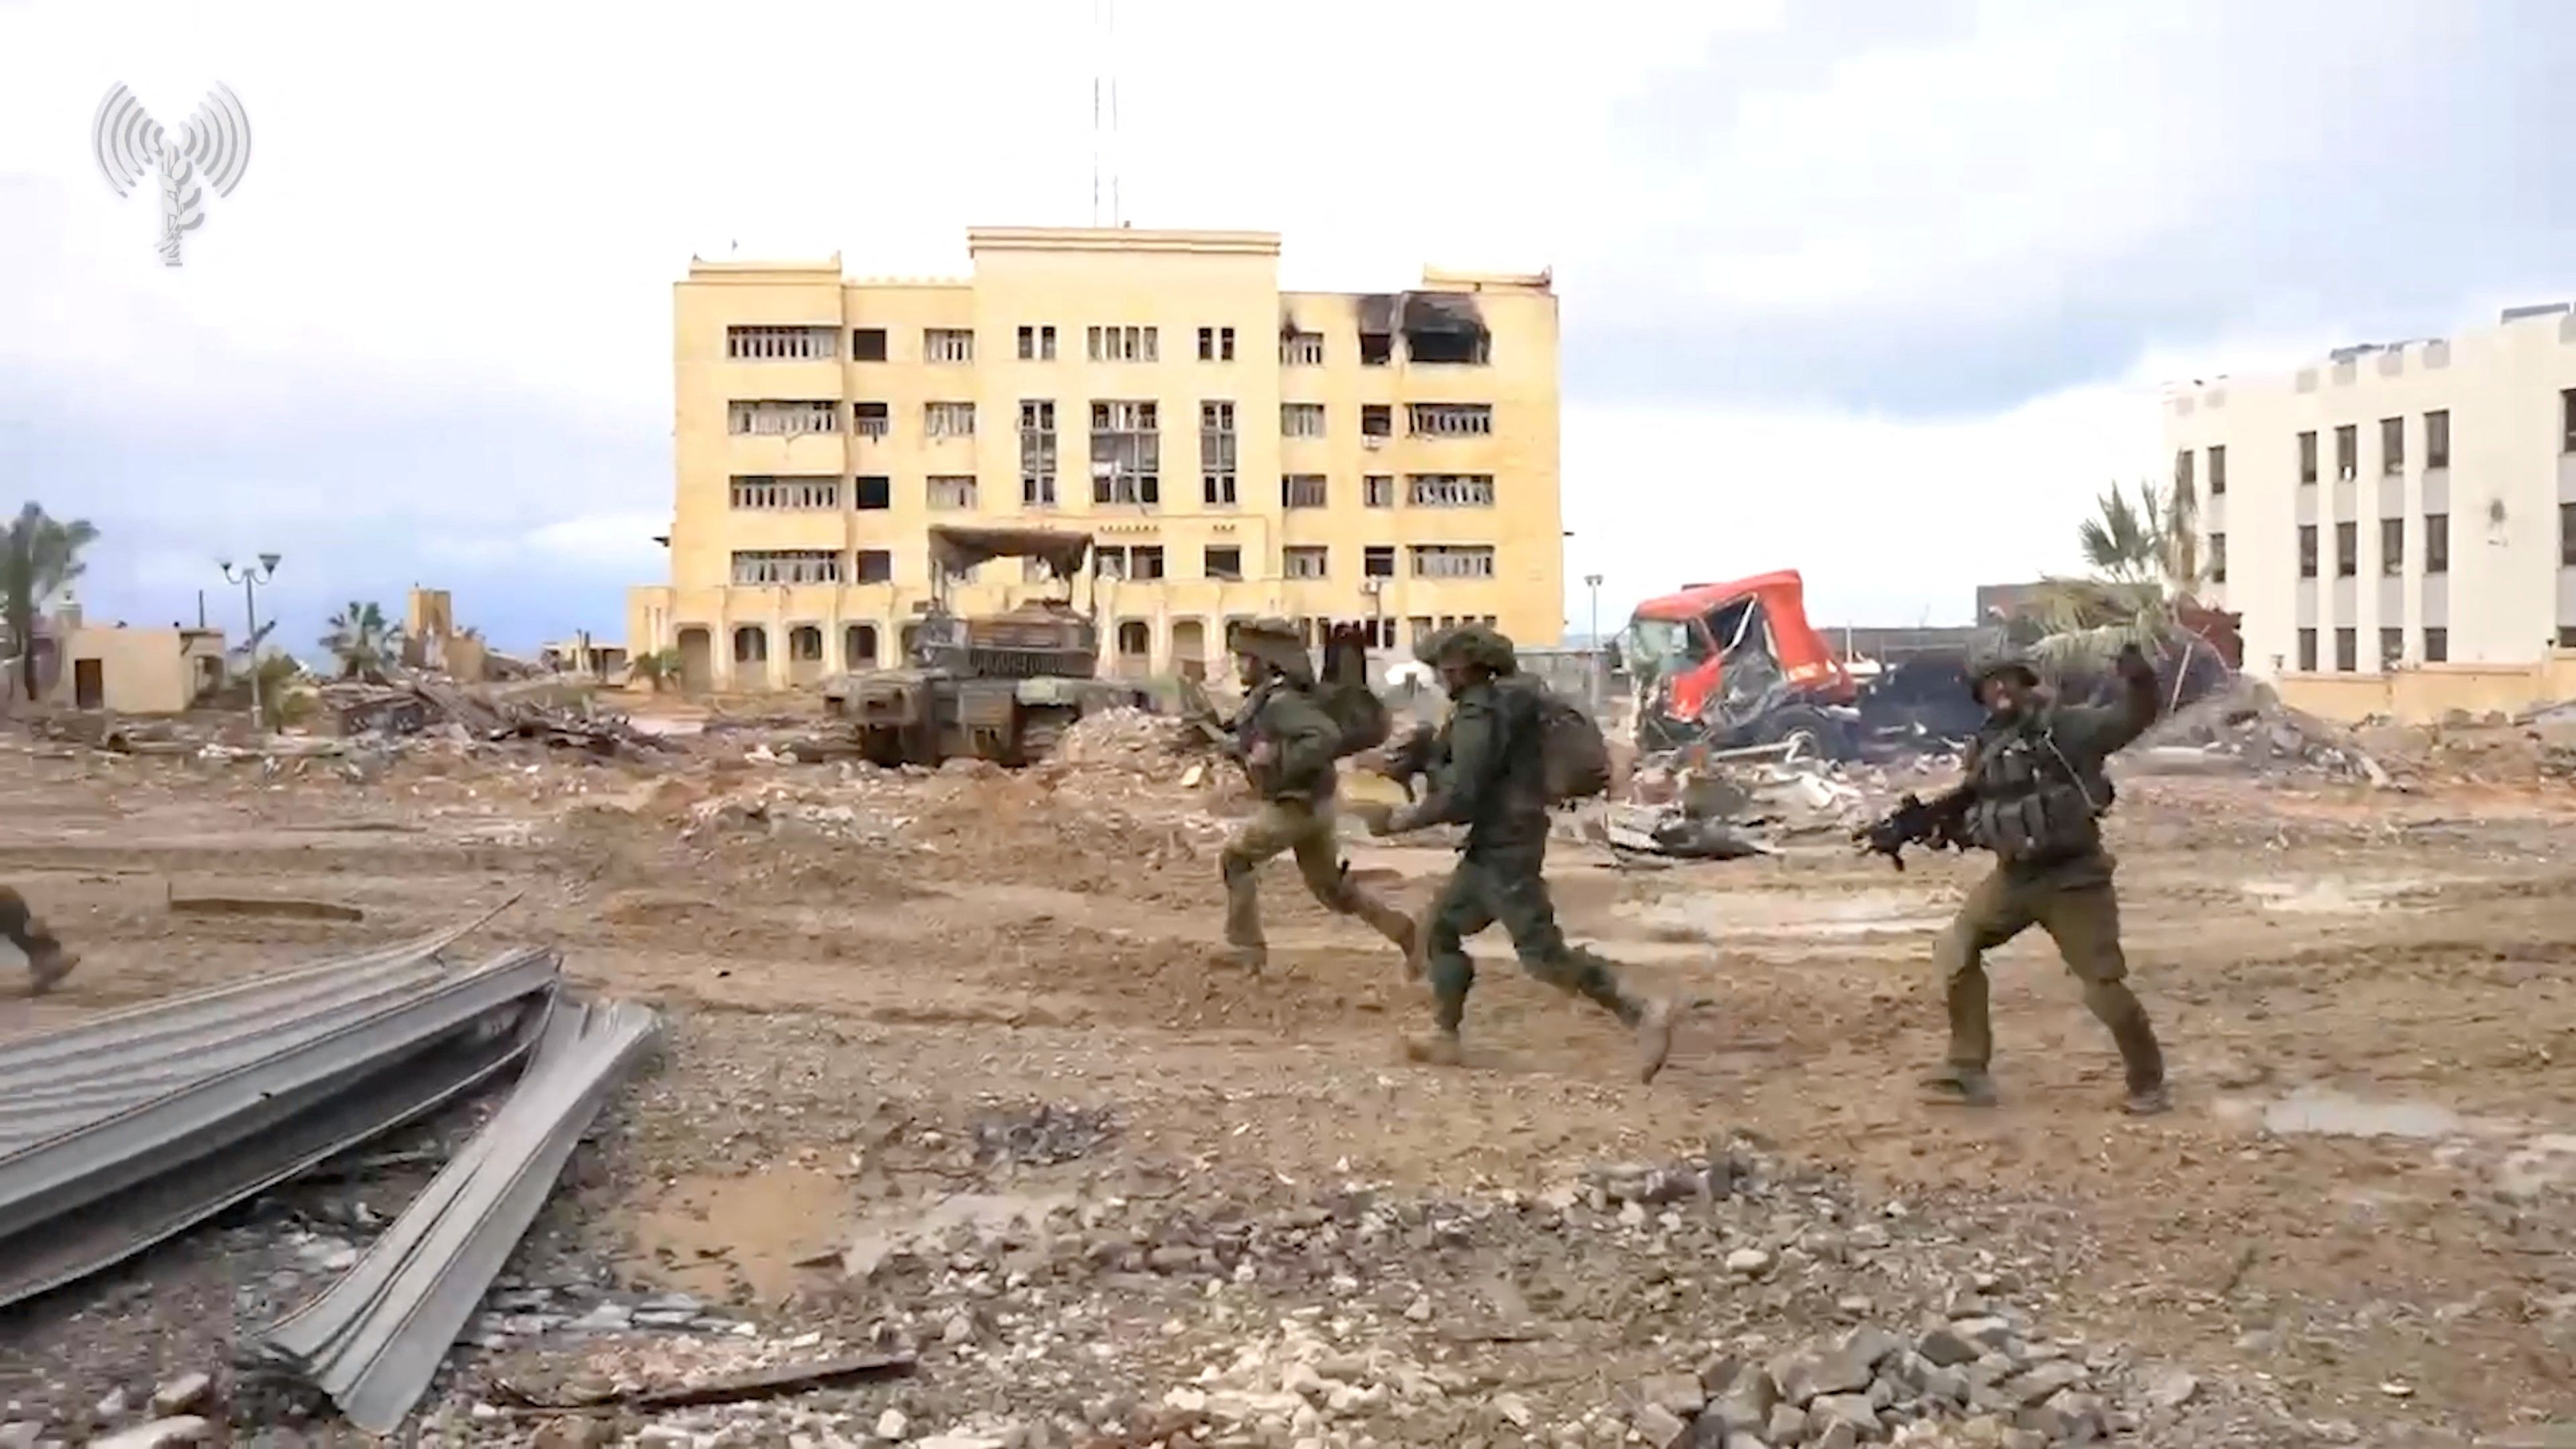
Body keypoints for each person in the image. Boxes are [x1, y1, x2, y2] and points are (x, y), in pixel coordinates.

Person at [1362, 623, 1676, 1081]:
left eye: (1442, 670)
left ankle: (1641, 1009)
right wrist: (1427, 757)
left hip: (1506, 848)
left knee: (1543, 956)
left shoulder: (1481, 712)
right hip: (1499, 843)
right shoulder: (1504, 703)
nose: (1438, 679)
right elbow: (1483, 772)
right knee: (1439, 930)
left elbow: (1463, 794)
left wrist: (1399, 821)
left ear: (1460, 669)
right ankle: (1445, 1036)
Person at [1910, 643, 2169, 1114]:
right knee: (1955, 947)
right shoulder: (1986, 748)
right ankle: (1967, 1067)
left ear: (2026, 682)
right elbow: (1979, 809)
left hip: (2074, 879)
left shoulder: (2066, 729)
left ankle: (2148, 1079)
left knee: (2102, 986)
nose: (2001, 689)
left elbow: (2130, 720)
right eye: (1991, 684)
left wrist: (2141, 682)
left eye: (2009, 678)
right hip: (2015, 879)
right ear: (1981, 696)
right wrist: (1927, 826)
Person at [1217, 618, 1418, 973]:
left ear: (1265, 662)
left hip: (1296, 806)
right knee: (1332, 891)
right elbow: (1270, 743)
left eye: (1244, 658)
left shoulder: (1282, 701)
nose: (1238, 666)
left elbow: (1322, 736)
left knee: (1236, 859)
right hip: (1317, 805)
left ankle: (1246, 948)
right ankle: (1406, 934)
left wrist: (1276, 761)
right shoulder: (1271, 699)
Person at [1, 885, 79, 994]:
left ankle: (51, 962)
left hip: (9, 905)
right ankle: (51, 961)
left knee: (20, 938)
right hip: (12, 904)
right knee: (20, 938)